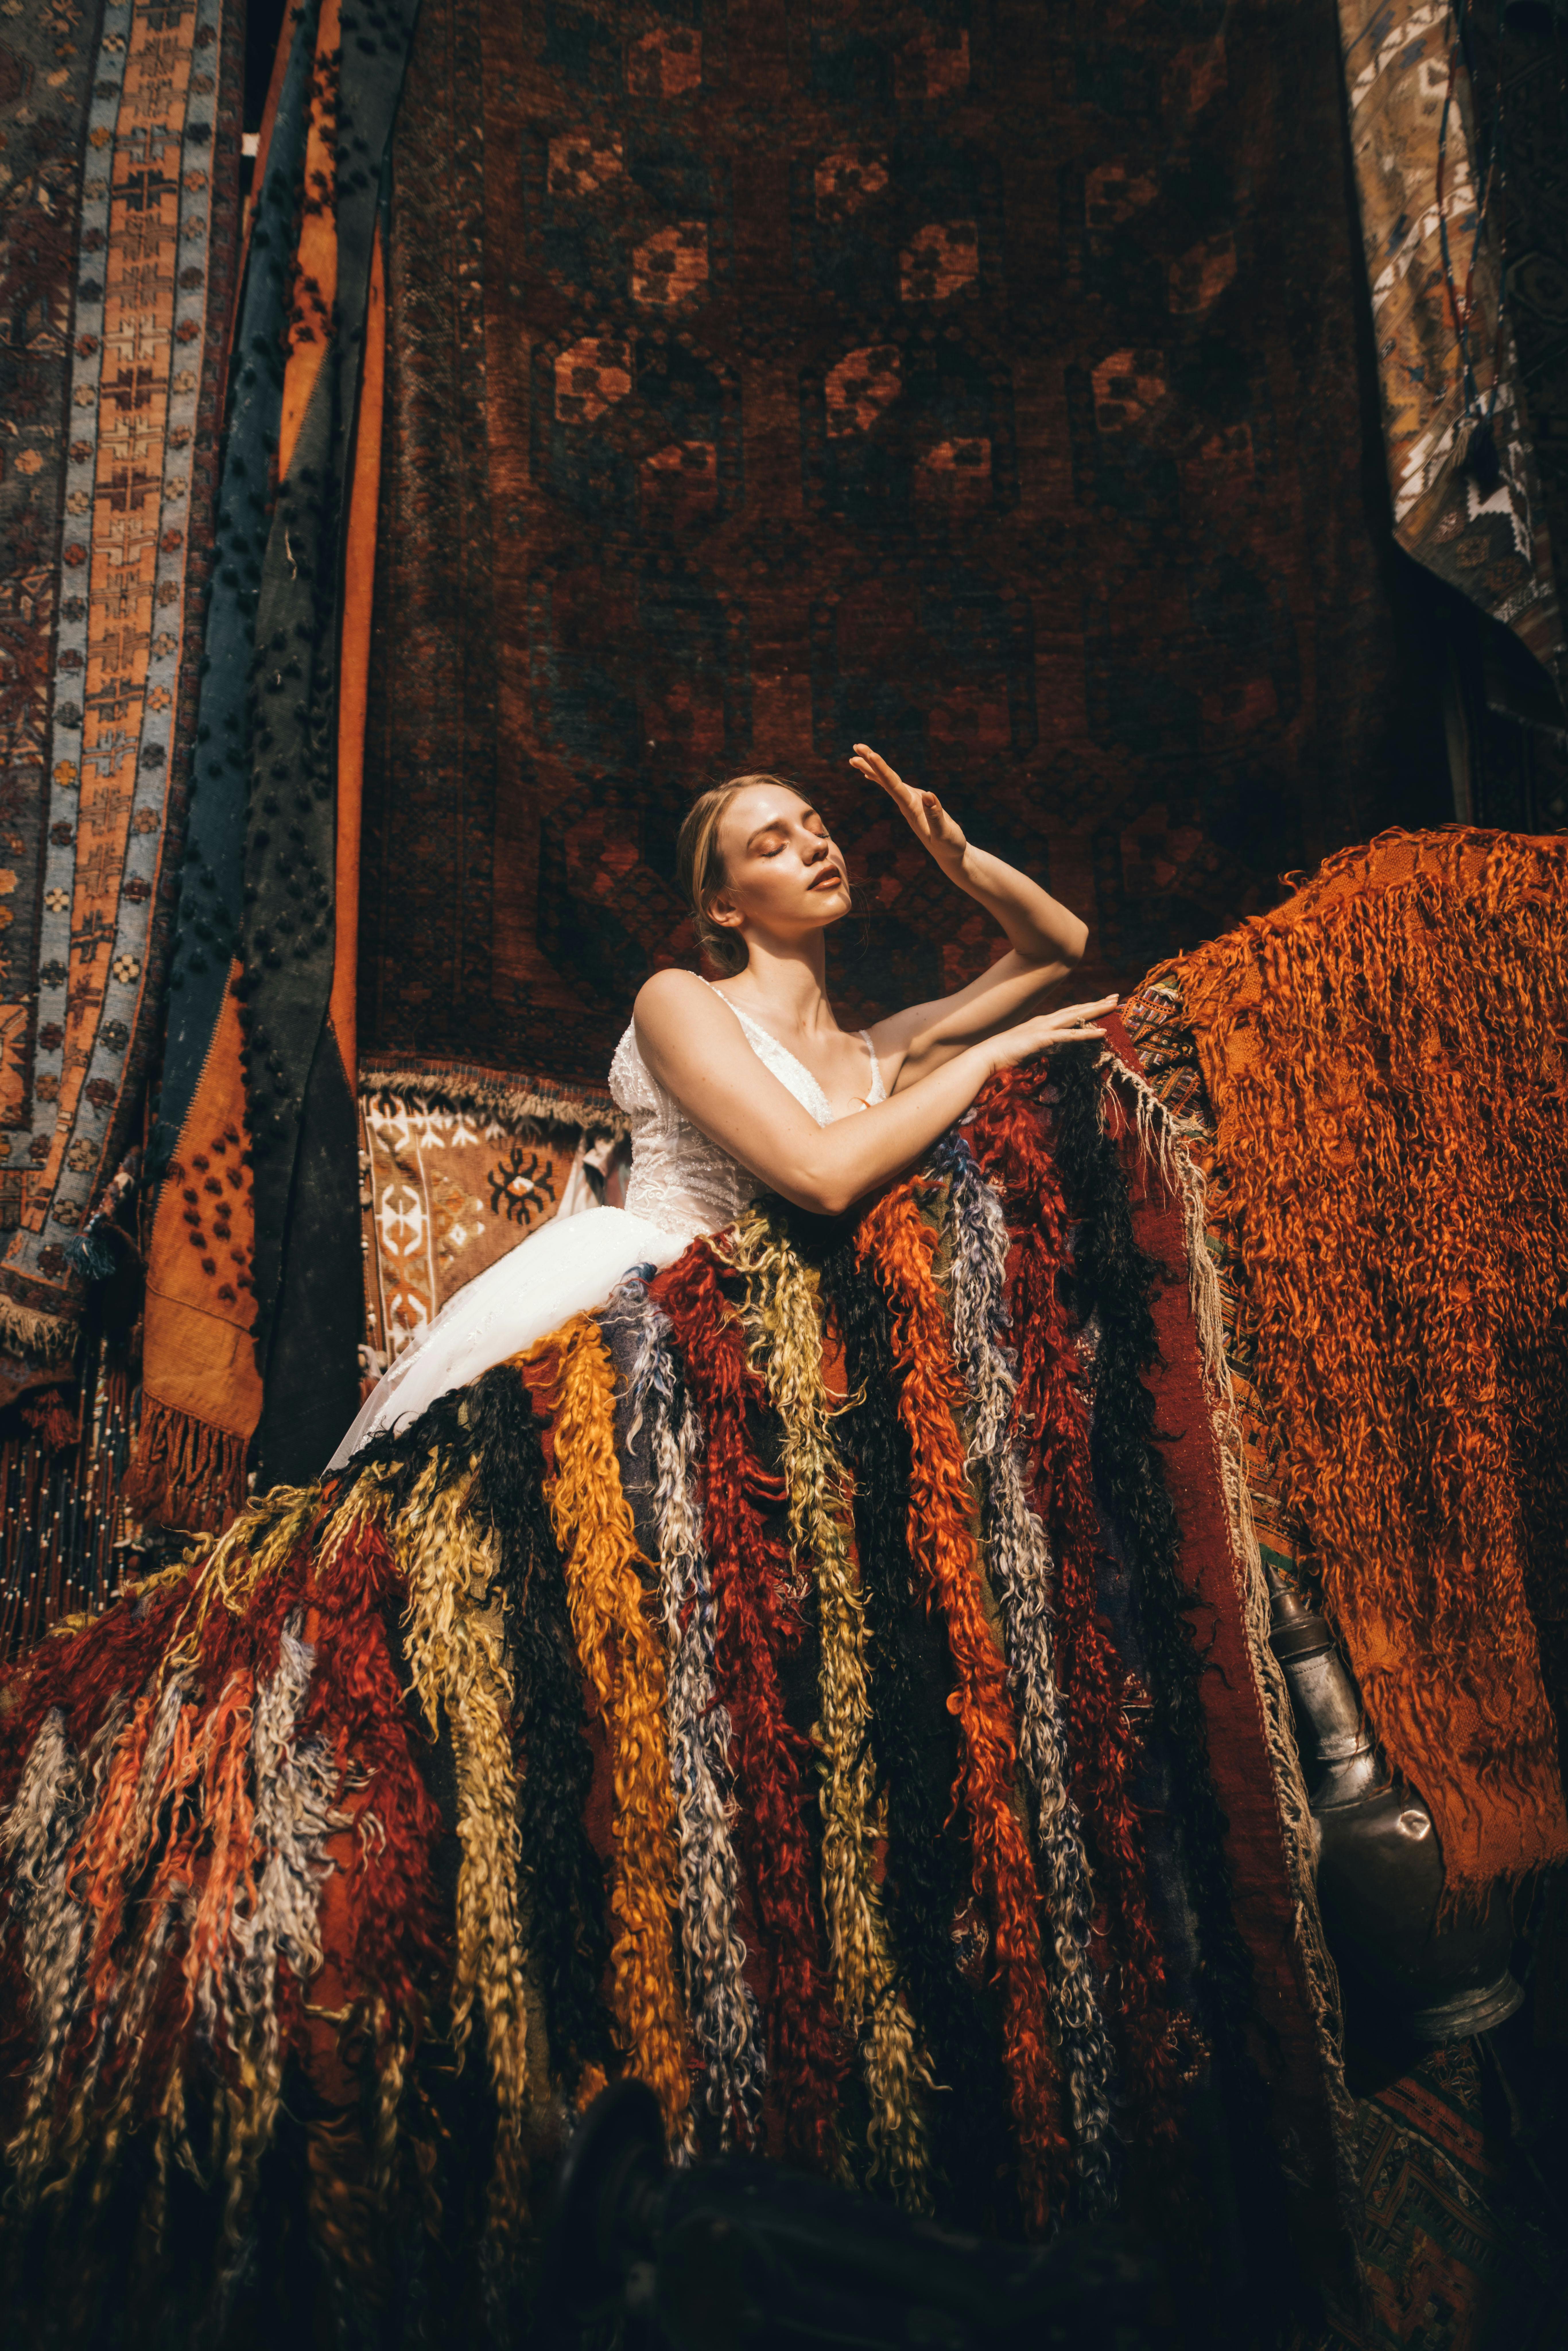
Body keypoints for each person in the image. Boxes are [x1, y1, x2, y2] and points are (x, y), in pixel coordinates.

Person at [331, 746, 1116, 1463]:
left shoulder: (883, 1053)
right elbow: (820, 1174)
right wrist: (983, 1059)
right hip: (662, 1316)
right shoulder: (678, 1000)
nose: (814, 847)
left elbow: (1058, 949)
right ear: (725, 908)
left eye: (817, 830)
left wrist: (960, 857)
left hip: (799, 1349)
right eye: (772, 847)